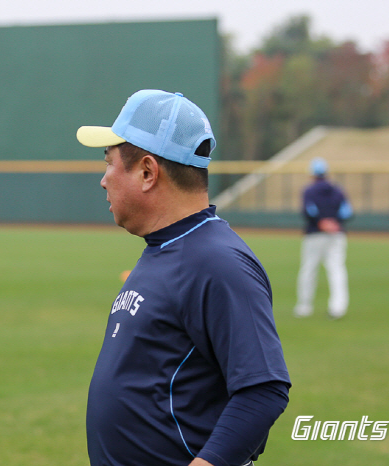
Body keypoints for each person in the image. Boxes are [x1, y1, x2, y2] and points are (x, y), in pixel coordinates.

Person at [76, 89, 291, 466]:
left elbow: (263, 389)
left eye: (109, 163)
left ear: (147, 172)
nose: (103, 180)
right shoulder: (168, 246)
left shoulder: (217, 261)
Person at [294, 157, 353, 319]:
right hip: (336, 234)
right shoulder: (338, 190)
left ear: (312, 174)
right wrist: (334, 223)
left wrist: (321, 223)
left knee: (309, 269)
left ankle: (304, 307)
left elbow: (308, 211)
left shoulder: (309, 190)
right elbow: (347, 212)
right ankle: (338, 307)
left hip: (314, 235)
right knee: (337, 269)